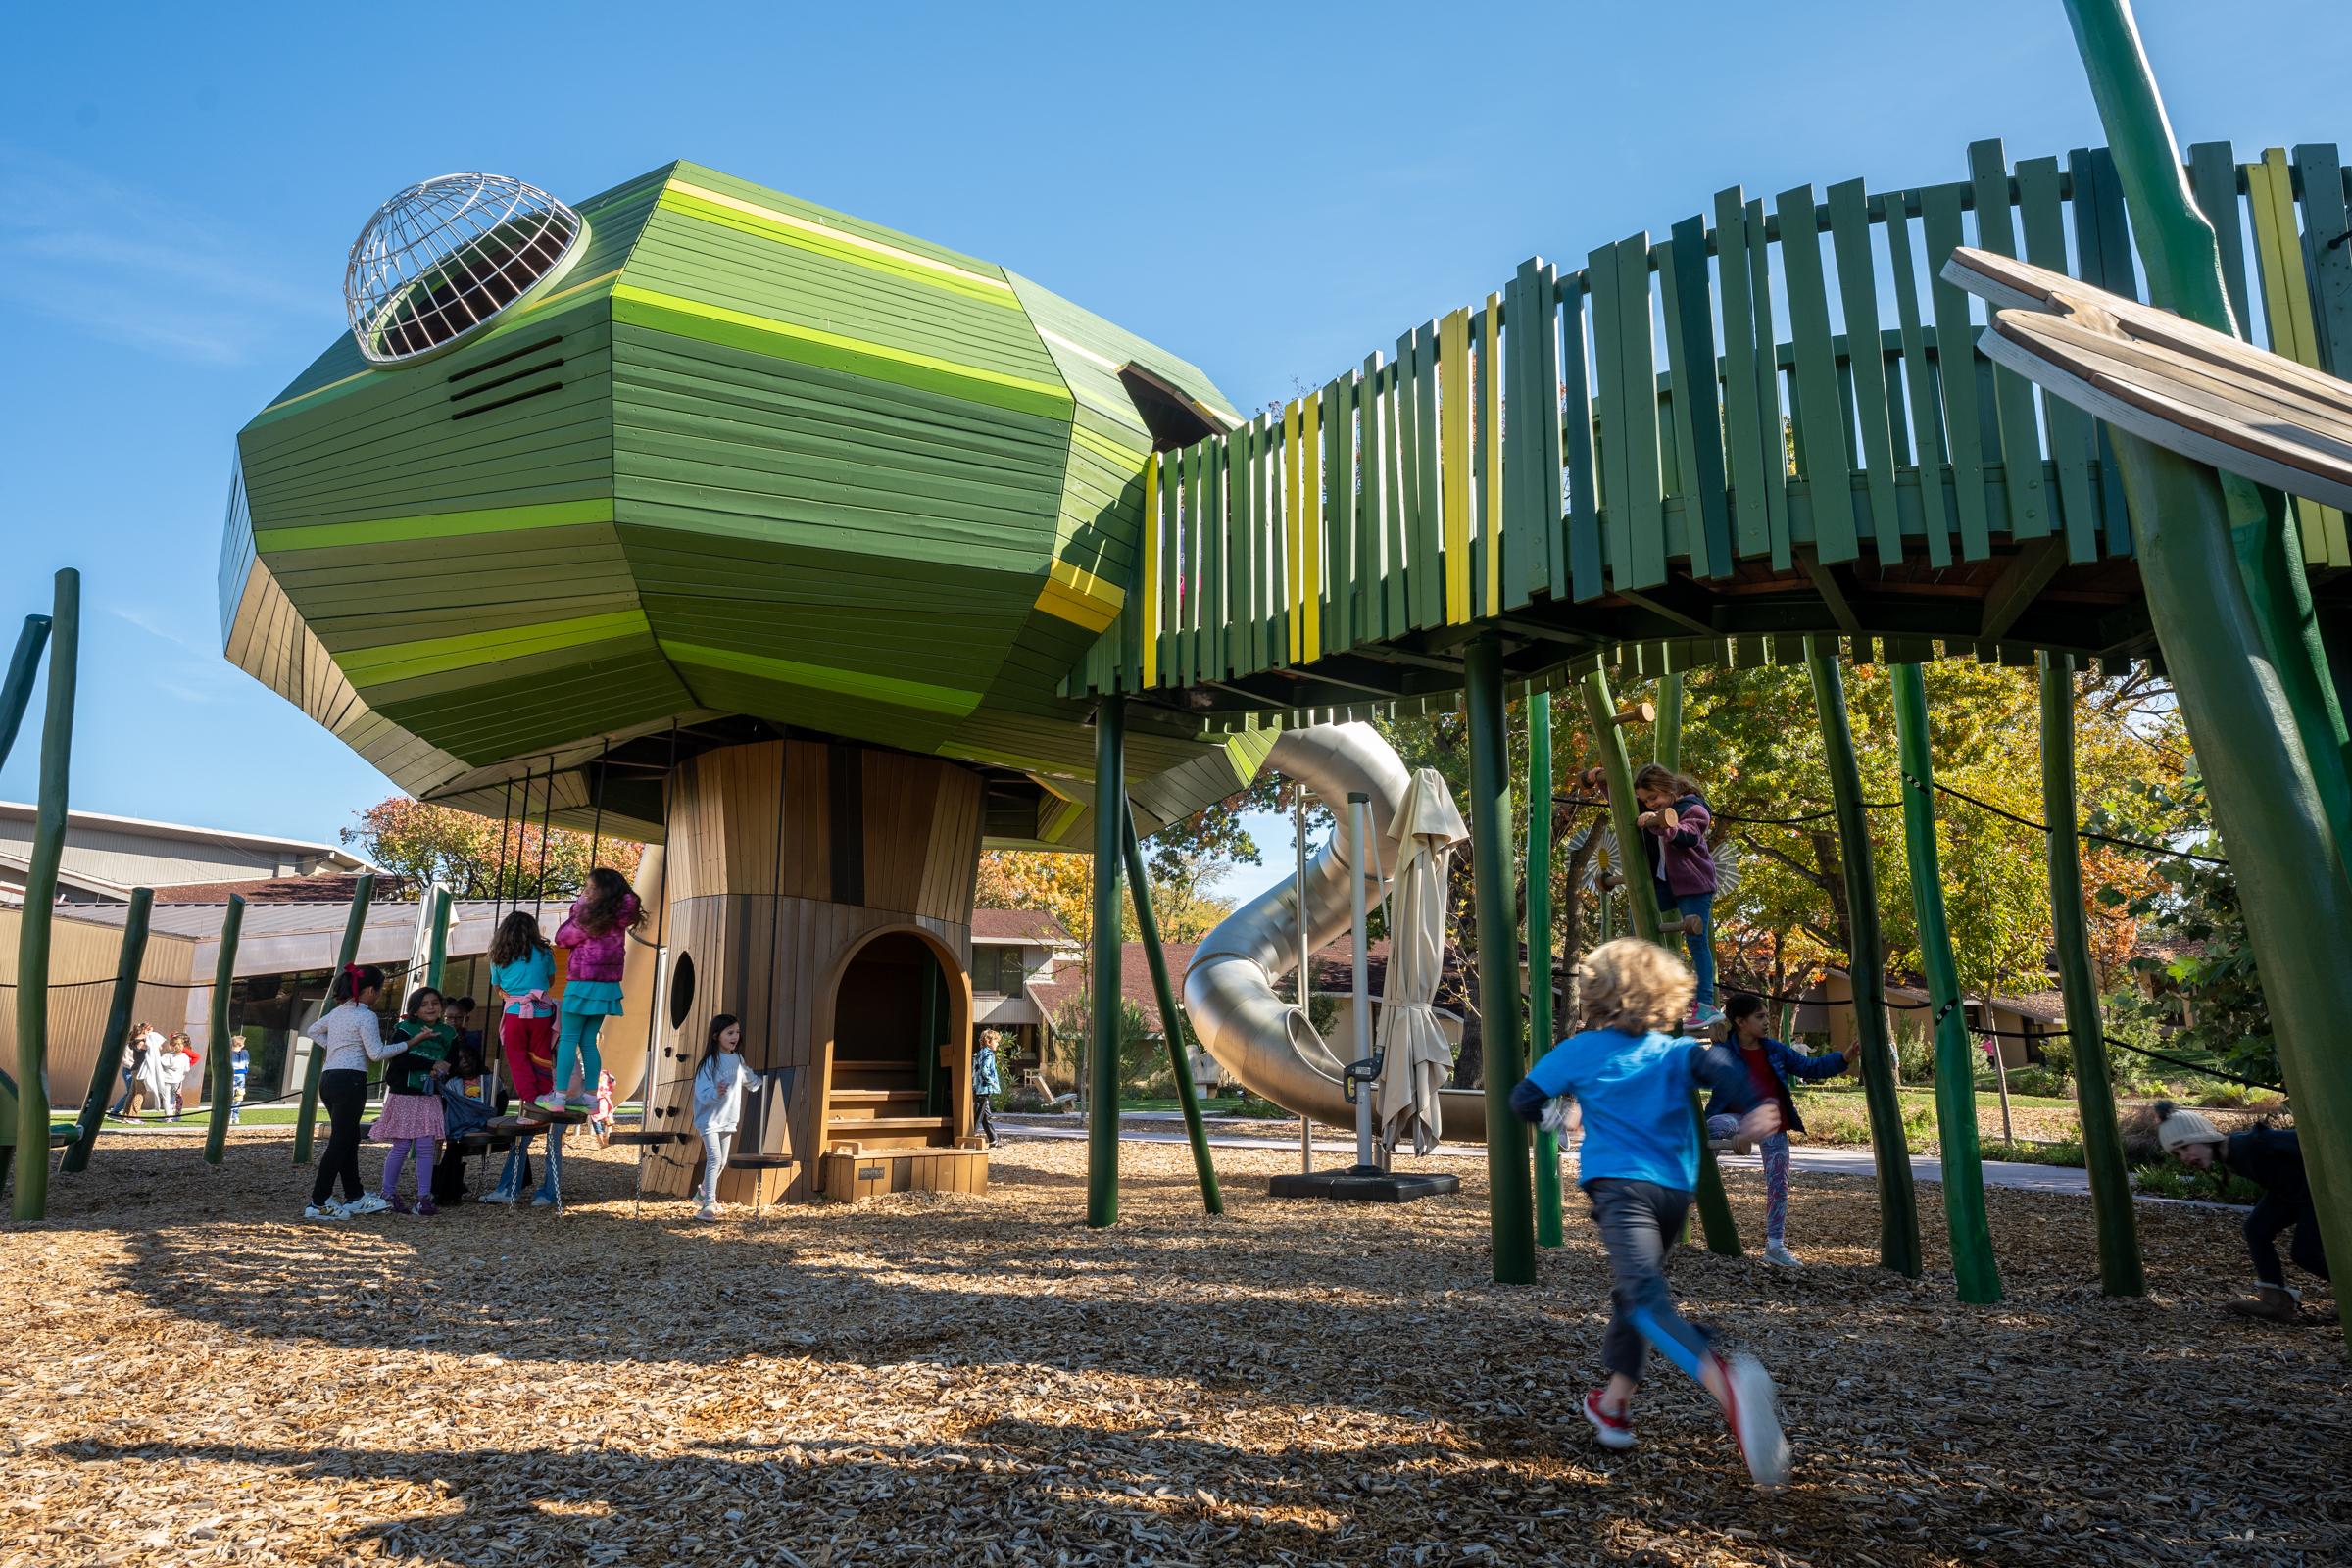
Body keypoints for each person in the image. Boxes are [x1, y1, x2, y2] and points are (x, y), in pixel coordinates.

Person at [1509, 937, 1789, 1487]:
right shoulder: (1673, 1051)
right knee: (1634, 1297)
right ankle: (1613, 1404)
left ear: (1598, 994)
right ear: (1665, 995)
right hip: (1672, 1197)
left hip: (1622, 1192)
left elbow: (1523, 1099)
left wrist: (1560, 1115)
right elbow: (1723, 1068)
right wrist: (1758, 1107)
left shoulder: (1580, 1050)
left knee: (1641, 1297)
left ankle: (1721, 1376)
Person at [1701, 994, 1858, 1267]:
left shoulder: (1774, 1050)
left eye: (1765, 1016)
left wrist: (1843, 1058)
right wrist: (1710, 1036)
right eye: (1759, 1017)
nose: (1766, 1022)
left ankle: (1775, 1246)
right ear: (1739, 1021)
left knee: (1778, 1184)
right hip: (1736, 1119)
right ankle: (1699, 1177)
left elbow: (1810, 1067)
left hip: (1771, 1123)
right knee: (1714, 1125)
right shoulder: (1725, 1051)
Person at [2154, 1102, 2330, 1321]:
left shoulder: (2253, 1143)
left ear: (2204, 1136)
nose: (2185, 1158)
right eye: (2178, 1154)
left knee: (2304, 1254)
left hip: (2320, 1195)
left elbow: (2309, 1142)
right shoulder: (2230, 1155)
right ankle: (2275, 1301)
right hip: (2292, 1194)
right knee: (2256, 1229)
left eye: (2186, 1147)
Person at [541, 867, 642, 1113]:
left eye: (589, 888)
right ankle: (590, 1097)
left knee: (568, 1039)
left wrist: (578, 907)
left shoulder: (589, 917)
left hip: (582, 982)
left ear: (598, 891)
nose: (585, 891)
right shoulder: (618, 917)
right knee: (588, 1041)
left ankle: (559, 1097)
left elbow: (563, 938)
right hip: (607, 985)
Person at [307, 966, 400, 1219]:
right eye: (379, 991)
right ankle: (318, 1201)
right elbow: (377, 1053)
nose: (379, 995)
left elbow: (313, 1030)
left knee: (348, 1138)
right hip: (350, 1080)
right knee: (340, 1140)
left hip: (330, 1078)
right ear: (371, 990)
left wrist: (335, 1047)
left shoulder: (337, 1013)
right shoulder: (365, 1016)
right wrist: (409, 1044)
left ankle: (354, 1195)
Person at [1631, 763, 1721, 1027]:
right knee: (1636, 913)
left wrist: (1659, 824)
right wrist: (1600, 781)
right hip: (1665, 884)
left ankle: (1706, 1005)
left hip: (1695, 885)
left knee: (1697, 942)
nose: (1651, 805)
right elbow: (1620, 802)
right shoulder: (1651, 811)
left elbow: (1687, 837)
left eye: (1654, 798)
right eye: (1646, 801)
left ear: (1669, 789)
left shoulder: (1694, 808)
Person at [486, 910, 558, 1204]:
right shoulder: (544, 952)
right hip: (541, 1011)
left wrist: (511, 993)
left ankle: (530, 1102)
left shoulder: (498, 955)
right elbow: (551, 980)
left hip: (515, 1011)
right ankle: (545, 1095)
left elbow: (497, 986)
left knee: (517, 1060)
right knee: (540, 1057)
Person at [372, 986, 456, 1215]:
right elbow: (398, 1061)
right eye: (424, 1004)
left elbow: (452, 1061)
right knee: (400, 1145)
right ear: (415, 1010)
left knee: (427, 1147)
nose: (431, 1007)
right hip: (404, 1095)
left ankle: (423, 1198)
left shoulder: (449, 1034)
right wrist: (429, 1064)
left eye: (435, 1003)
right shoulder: (404, 1029)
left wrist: (443, 1069)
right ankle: (387, 1194)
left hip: (429, 1096)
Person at [691, 1014, 767, 1221]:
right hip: (708, 1119)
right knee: (715, 1159)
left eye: (737, 1032)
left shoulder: (738, 1059)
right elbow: (702, 1091)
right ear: (716, 1036)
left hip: (727, 1118)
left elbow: (749, 1079)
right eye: (730, 1032)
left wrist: (763, 1082)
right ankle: (708, 1206)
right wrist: (716, 1092)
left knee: (722, 1161)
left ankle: (701, 1193)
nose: (735, 1036)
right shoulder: (709, 1062)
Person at [111, 1024, 153, 1119]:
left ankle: (125, 1113)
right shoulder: (129, 1046)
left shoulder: (142, 1044)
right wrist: (135, 1066)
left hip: (136, 1070)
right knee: (131, 1092)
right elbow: (125, 1061)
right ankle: (116, 1111)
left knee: (132, 1092)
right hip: (129, 1071)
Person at [971, 1032, 1003, 1148]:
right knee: (979, 1116)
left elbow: (975, 1071)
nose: (997, 1044)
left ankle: (993, 1139)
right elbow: (984, 1071)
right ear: (988, 1042)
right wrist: (992, 1083)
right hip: (984, 1089)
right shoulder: (989, 1054)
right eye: (996, 1041)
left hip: (978, 1088)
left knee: (985, 1116)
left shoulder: (979, 1053)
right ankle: (969, 1137)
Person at [157, 1034, 194, 1122]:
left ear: (171, 1046)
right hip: (177, 1080)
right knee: (173, 1097)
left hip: (166, 1079)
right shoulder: (185, 1057)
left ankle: (167, 1116)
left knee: (166, 1098)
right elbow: (187, 1069)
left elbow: (160, 1063)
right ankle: (171, 1115)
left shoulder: (167, 1056)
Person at [227, 1037, 252, 1125]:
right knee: (239, 1096)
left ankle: (229, 1117)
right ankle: (235, 1117)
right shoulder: (245, 1053)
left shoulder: (229, 1053)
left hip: (232, 1075)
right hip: (241, 1075)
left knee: (230, 1095)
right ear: (242, 1045)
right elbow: (247, 1062)